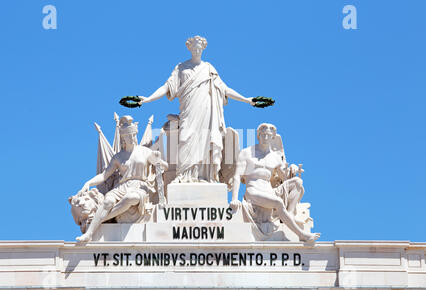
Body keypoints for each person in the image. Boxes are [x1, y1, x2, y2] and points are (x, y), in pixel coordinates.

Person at [138, 35, 255, 183]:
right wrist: (148, 99)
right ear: (189, 48)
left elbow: (225, 89)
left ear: (203, 48)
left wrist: (246, 99)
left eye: (199, 47)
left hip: (206, 110)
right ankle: (183, 175)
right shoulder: (181, 68)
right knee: (185, 138)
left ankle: (207, 176)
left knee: (207, 140)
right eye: (194, 47)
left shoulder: (209, 68)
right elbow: (167, 87)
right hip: (189, 110)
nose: (197, 49)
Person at [75, 116, 168, 242]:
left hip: (140, 186)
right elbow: (104, 175)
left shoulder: (144, 152)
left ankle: (102, 219)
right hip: (122, 187)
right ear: (123, 138)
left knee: (131, 198)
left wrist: (159, 161)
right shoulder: (118, 157)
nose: (132, 138)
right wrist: (88, 183)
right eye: (128, 136)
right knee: (107, 202)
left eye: (133, 135)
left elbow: (164, 166)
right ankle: (89, 234)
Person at [230, 123, 320, 242]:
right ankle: (301, 234)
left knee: (297, 182)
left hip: (270, 191)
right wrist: (234, 199)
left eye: (268, 135)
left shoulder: (275, 157)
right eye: (263, 135)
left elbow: (285, 178)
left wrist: (292, 169)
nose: (265, 138)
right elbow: (237, 176)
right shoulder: (246, 153)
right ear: (258, 136)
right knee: (277, 202)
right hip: (253, 191)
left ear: (273, 137)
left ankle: (290, 214)